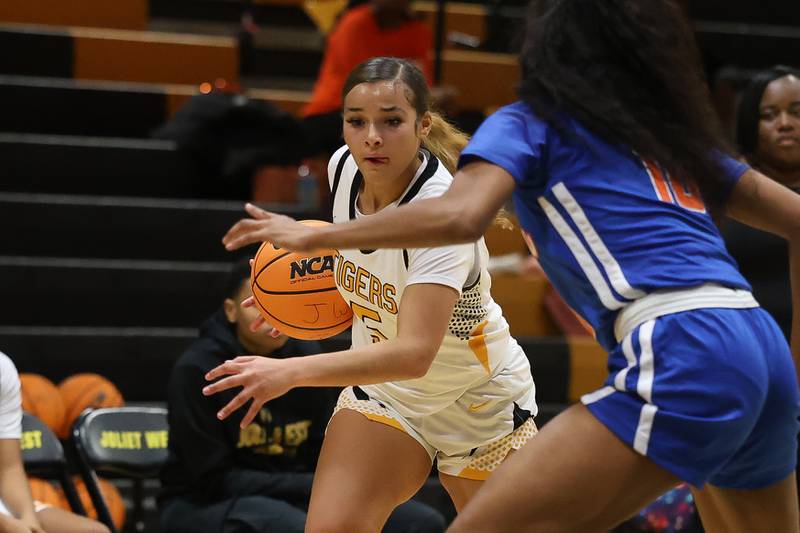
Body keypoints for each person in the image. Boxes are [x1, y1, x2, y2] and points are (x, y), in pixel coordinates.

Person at [219, 2, 800, 532]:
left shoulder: (528, 123)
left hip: (669, 346)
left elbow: (459, 218)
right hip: (759, 343)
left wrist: (317, 236)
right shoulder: (668, 135)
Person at [205, 57, 538, 532]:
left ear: (423, 125)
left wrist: (289, 372)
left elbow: (414, 354)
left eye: (391, 121)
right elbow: (368, 279)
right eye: (356, 121)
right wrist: (292, 302)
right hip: (390, 395)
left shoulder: (441, 214)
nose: (371, 137)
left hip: (477, 399)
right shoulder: (344, 167)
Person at [159, 259, 444, 533]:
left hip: (292, 493)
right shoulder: (199, 369)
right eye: (259, 305)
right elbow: (212, 480)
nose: (271, 316)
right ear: (231, 311)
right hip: (203, 502)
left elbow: (321, 448)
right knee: (293, 526)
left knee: (419, 522)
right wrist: (309, 487)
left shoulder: (306, 359)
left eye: (276, 304)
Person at [722, 65, 800, 338]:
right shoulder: (724, 190)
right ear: (749, 125)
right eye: (769, 115)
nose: (785, 123)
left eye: (797, 112)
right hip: (742, 344)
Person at [0, 350, 109, 533]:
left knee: (96, 531)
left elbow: (9, 468)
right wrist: (7, 526)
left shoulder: (2, 368)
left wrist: (29, 520)